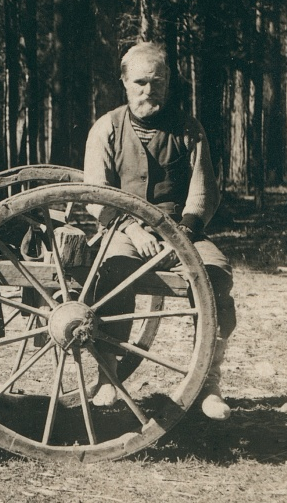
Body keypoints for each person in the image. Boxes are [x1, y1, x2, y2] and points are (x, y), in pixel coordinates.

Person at [83, 42, 236, 420]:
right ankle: (107, 376)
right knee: (113, 270)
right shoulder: (106, 128)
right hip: (122, 228)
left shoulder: (188, 130)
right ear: (124, 82)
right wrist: (133, 231)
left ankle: (209, 383)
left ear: (168, 84)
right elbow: (96, 195)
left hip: (181, 231)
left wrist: (179, 237)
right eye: (140, 82)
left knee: (216, 273)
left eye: (158, 82)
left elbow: (203, 193)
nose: (149, 90)